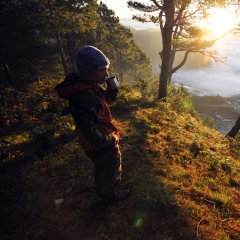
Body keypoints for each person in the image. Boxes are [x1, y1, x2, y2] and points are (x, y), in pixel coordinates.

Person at [54, 45, 129, 204]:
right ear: (89, 72)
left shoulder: (89, 88)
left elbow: (103, 102)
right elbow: (89, 132)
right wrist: (110, 140)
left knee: (104, 170)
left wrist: (111, 90)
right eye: (102, 70)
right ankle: (108, 198)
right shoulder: (84, 96)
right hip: (101, 145)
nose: (106, 73)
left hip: (101, 141)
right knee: (110, 168)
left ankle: (105, 192)